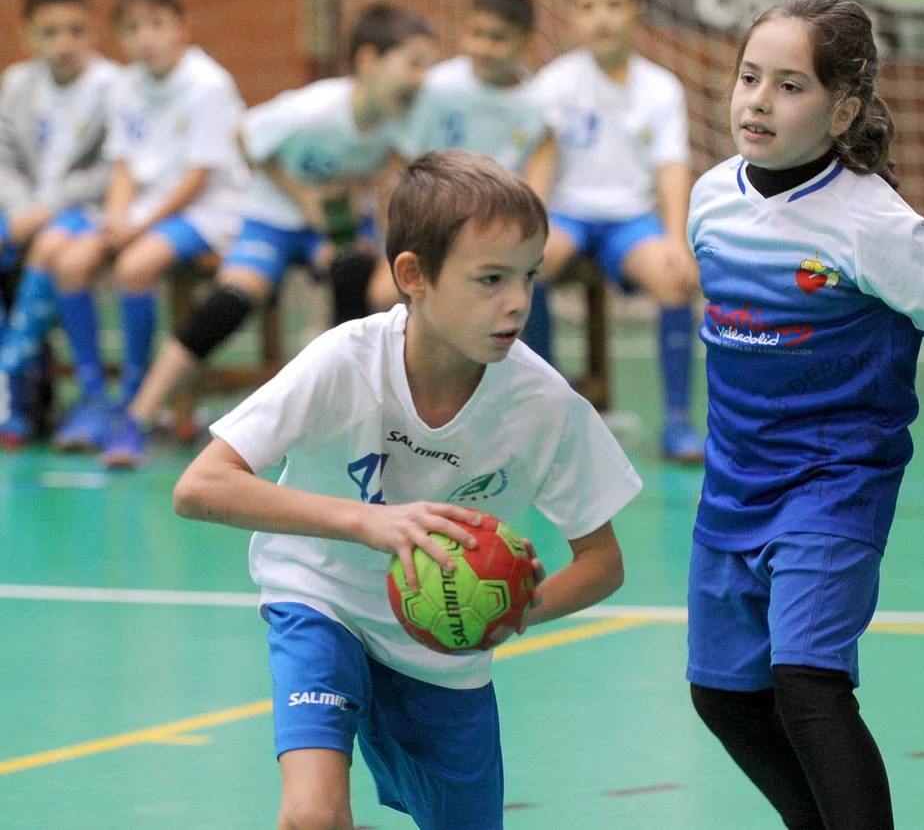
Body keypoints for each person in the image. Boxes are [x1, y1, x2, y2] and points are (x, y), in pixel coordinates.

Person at [685, 0, 924, 829]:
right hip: (732, 484)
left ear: (843, 109)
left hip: (834, 480)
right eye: (748, 77)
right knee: (720, 695)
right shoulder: (711, 197)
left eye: (789, 86)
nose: (756, 99)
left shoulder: (875, 225)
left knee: (806, 684)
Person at [173, 149, 641, 830]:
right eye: (488, 279)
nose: (515, 302)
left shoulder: (544, 404)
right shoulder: (346, 360)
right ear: (412, 276)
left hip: (443, 655)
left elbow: (603, 563)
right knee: (310, 816)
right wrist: (366, 524)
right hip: (321, 598)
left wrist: (510, 612)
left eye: (528, 277)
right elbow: (200, 486)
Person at [102, 2, 438, 468]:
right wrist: (302, 197)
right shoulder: (315, 108)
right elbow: (244, 136)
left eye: (430, 65)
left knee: (355, 279)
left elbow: (404, 166)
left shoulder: (406, 119)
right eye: (414, 63)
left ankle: (349, 422)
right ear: (368, 61)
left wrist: (354, 194)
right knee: (231, 301)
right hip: (273, 218)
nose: (424, 77)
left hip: (332, 227)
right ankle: (136, 420)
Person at [45, 0, 249, 454]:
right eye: (133, 27)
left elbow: (197, 177)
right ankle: (96, 398)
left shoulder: (208, 83)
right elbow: (123, 166)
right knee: (70, 264)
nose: (146, 38)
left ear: (183, 27)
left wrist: (139, 227)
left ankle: (138, 400)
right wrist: (119, 218)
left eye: (157, 24)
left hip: (208, 210)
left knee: (135, 267)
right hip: (145, 210)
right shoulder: (125, 86)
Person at [525, 0, 703, 463]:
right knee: (535, 261)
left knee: (673, 278)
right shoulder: (554, 84)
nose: (600, 17)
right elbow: (539, 165)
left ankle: (677, 423)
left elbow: (672, 169)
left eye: (612, 5)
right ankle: (548, 413)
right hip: (567, 214)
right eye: (587, 7)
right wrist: (529, 231)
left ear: (635, 12)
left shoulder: (661, 87)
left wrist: (676, 239)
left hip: (630, 220)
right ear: (571, 18)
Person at [370, 0, 548, 310]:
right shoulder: (438, 88)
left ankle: (528, 357)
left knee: (525, 275)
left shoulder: (537, 105)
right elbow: (402, 165)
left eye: (498, 38)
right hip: (431, 226)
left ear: (527, 42)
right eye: (476, 34)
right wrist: (392, 241)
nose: (484, 47)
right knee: (384, 293)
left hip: (501, 233)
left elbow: (539, 174)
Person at [0, 0, 119, 447]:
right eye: (50, 32)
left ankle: (12, 376)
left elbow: (113, 169)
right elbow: (3, 159)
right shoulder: (17, 83)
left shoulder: (112, 85)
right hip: (25, 208)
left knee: (51, 250)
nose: (64, 43)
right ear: (28, 35)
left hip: (84, 212)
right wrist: (22, 210)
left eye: (76, 30)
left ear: (92, 31)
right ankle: (22, 392)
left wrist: (45, 210)